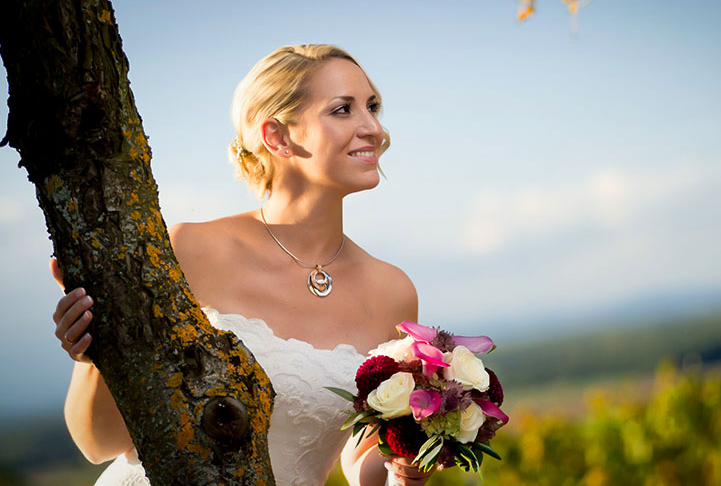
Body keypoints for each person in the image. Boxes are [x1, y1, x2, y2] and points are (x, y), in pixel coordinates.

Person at [51, 44, 436, 486]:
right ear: (277, 137)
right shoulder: (188, 250)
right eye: (343, 110)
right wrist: (94, 354)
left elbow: (362, 451)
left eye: (372, 107)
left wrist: (407, 465)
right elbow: (98, 443)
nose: (374, 128)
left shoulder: (392, 292)